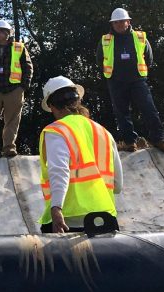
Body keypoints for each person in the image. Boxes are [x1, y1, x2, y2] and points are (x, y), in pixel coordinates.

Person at [38, 76, 124, 234]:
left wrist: (56, 208)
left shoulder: (57, 130)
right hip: (105, 221)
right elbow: (118, 185)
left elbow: (59, 170)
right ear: (77, 100)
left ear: (51, 106)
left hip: (68, 221)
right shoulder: (103, 132)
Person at [98, 8, 164, 153]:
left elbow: (149, 58)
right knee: (121, 113)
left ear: (128, 22)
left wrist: (139, 73)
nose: (119, 24)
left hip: (137, 80)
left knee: (149, 109)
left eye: (122, 21)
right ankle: (130, 142)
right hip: (116, 81)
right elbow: (100, 59)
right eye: (116, 22)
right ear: (112, 24)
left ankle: (158, 139)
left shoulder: (139, 37)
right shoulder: (105, 40)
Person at [0, 20, 32, 160]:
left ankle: (9, 148)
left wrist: (23, 86)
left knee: (12, 120)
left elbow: (28, 67)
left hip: (14, 89)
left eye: (0, 31)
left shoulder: (19, 47)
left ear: (7, 33)